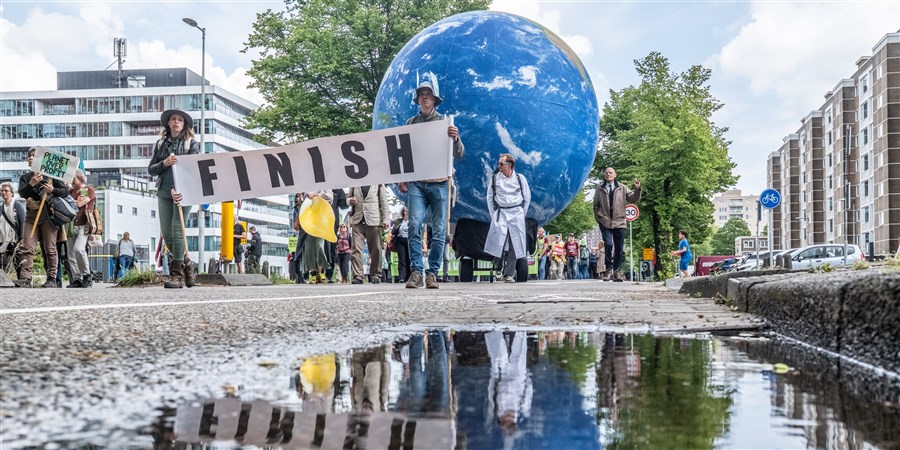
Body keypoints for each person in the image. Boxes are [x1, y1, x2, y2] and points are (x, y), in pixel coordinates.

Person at [399, 72, 465, 289]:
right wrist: (402, 177)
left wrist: (455, 139)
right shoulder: (411, 123)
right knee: (414, 225)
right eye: (421, 94)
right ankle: (416, 271)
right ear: (417, 99)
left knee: (439, 231)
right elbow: (404, 153)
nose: (425, 97)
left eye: (428, 94)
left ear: (435, 99)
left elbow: (459, 153)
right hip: (417, 182)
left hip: (439, 182)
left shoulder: (446, 123)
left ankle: (432, 273)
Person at [148, 109, 200, 288]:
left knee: (178, 230)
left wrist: (176, 188)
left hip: (184, 193)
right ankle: (188, 264)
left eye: (180, 120)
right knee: (168, 233)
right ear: (168, 123)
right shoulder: (161, 143)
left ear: (184, 124)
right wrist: (165, 163)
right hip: (163, 191)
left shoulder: (191, 144)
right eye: (173, 119)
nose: (176, 122)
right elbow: (151, 169)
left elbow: (193, 169)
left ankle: (176, 275)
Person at [18, 146, 68, 288]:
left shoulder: (51, 176)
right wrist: (31, 184)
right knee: (27, 246)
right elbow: (22, 193)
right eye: (29, 156)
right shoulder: (25, 177)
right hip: (31, 215)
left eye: (34, 155)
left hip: (48, 214)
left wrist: (53, 190)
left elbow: (65, 191)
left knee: (50, 248)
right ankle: (26, 278)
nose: (30, 158)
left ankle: (52, 278)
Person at [484, 153, 531, 283]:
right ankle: (498, 268)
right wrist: (494, 214)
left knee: (515, 244)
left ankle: (508, 274)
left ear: (509, 165)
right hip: (501, 212)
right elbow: (489, 198)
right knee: (498, 241)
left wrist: (521, 213)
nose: (498, 166)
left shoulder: (520, 179)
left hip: (516, 212)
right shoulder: (495, 179)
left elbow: (526, 198)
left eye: (501, 163)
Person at [593, 167, 641, 282]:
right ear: (604, 175)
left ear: (615, 175)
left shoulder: (622, 187)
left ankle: (617, 270)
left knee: (619, 247)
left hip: (619, 221)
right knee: (608, 244)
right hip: (605, 221)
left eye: (610, 173)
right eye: (606, 173)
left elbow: (633, 199)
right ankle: (609, 269)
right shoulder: (599, 189)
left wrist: (638, 189)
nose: (608, 174)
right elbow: (596, 205)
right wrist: (598, 217)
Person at [347, 184, 389, 284]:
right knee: (356, 249)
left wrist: (386, 219)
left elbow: (384, 202)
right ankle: (358, 276)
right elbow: (348, 198)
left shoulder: (378, 184)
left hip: (374, 220)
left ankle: (375, 274)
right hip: (357, 220)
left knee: (376, 249)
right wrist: (349, 201)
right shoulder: (354, 182)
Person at [66, 170, 95, 288]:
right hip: (71, 224)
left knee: (79, 249)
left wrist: (74, 202)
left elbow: (79, 204)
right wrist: (76, 201)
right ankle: (76, 278)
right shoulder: (70, 191)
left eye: (74, 178)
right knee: (70, 254)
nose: (72, 180)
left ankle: (87, 275)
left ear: (79, 177)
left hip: (84, 224)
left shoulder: (89, 189)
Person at [299, 190, 333, 284]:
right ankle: (313, 272)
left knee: (319, 246)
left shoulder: (325, 187)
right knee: (309, 248)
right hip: (309, 220)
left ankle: (321, 271)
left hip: (321, 220)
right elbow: (304, 199)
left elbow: (330, 197)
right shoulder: (307, 186)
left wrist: (316, 195)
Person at [1, 182, 26, 286]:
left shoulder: (17, 205)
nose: (3, 193)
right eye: (2, 191)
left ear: (12, 193)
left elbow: (22, 222)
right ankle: (3, 283)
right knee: (2, 263)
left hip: (15, 239)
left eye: (6, 191)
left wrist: (22, 237)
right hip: (3, 240)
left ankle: (22, 282)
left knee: (18, 263)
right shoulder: (1, 207)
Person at [390, 206, 411, 283]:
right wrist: (395, 227)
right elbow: (392, 232)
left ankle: (409, 277)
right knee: (402, 260)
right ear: (403, 212)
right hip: (400, 241)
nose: (406, 213)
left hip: (409, 241)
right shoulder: (398, 221)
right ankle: (401, 277)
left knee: (409, 259)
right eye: (405, 211)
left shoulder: (412, 221)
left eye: (408, 211)